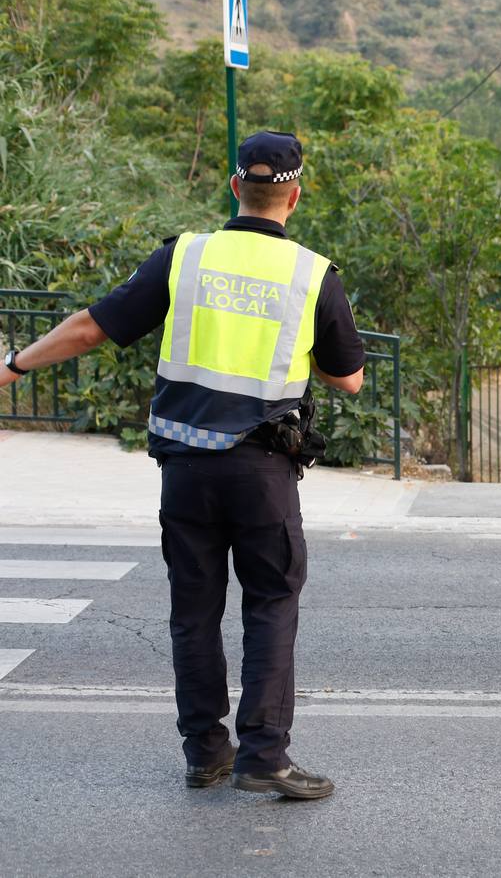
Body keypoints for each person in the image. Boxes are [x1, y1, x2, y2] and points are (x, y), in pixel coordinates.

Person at [0, 131, 366, 799]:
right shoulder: (313, 274)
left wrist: (13, 365)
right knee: (271, 603)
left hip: (185, 466)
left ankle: (205, 753)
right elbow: (349, 379)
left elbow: (92, 326)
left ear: (235, 187)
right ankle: (264, 756)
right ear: (295, 195)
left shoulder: (186, 257)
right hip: (263, 469)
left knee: (193, 611)